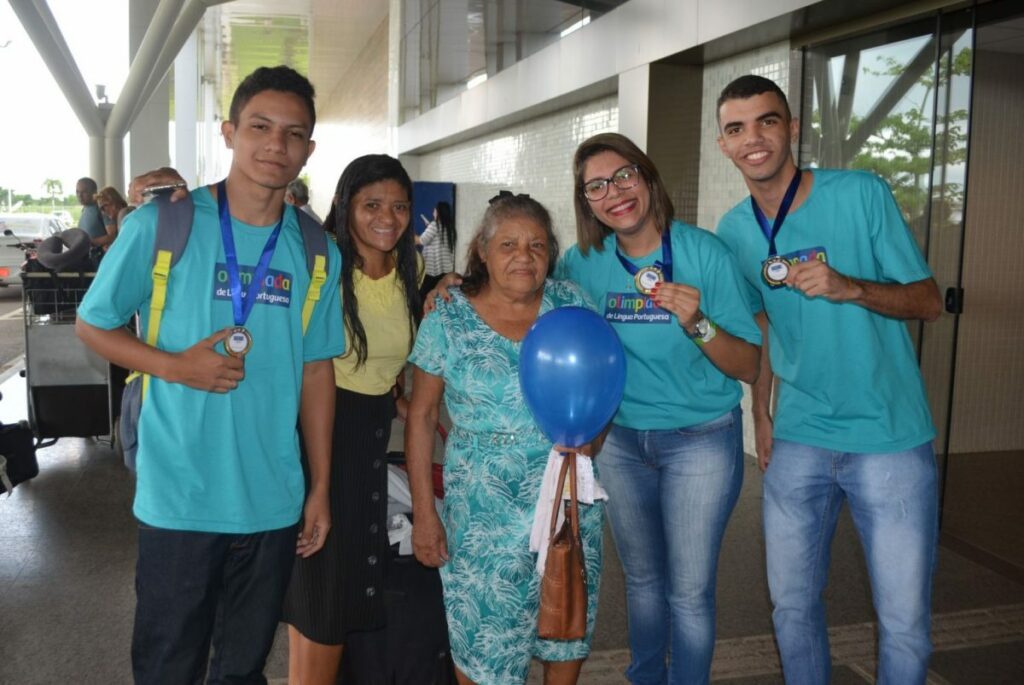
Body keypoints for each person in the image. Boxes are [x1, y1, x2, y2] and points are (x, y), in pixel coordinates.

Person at [76, 65, 345, 683]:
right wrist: (176, 367)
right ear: (229, 132)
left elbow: (315, 371)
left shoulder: (315, 248)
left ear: (309, 148)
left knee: (242, 670)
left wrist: (320, 487)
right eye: (260, 126)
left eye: (293, 133)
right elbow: (94, 326)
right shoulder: (164, 223)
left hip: (271, 499)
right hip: (180, 497)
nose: (276, 144)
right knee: (169, 666)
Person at [713, 75, 942, 685]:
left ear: (791, 130)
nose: (753, 138)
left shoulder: (862, 193)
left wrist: (852, 287)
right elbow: (761, 326)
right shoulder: (734, 230)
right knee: (790, 606)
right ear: (723, 144)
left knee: (903, 621)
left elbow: (928, 301)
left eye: (766, 121)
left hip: (888, 436)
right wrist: (762, 416)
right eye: (737, 128)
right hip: (801, 435)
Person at [557, 133, 761, 685]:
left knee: (689, 590)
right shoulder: (581, 262)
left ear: (647, 178)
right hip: (621, 442)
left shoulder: (703, 254)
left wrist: (697, 322)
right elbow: (532, 311)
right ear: (586, 201)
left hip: (701, 441)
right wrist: (457, 287)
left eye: (623, 176)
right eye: (595, 186)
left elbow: (747, 364)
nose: (614, 192)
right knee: (643, 583)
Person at [406, 193, 604, 685]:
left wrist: (593, 439)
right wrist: (425, 512)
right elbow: (422, 415)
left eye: (537, 245)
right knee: (483, 646)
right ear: (483, 251)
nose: (524, 255)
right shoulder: (448, 317)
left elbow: (603, 380)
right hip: (480, 517)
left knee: (564, 627)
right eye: (509, 243)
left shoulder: (572, 304)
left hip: (564, 503)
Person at [280, 154, 422, 684]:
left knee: (343, 609)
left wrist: (426, 419)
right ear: (344, 205)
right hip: (323, 440)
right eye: (372, 205)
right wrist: (316, 483)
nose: (388, 217)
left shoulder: (413, 272)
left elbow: (388, 378)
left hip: (370, 446)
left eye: (400, 205)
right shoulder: (323, 269)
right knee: (321, 609)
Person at [417, 200, 455, 298]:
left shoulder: (435, 225)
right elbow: (436, 238)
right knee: (438, 297)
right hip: (446, 270)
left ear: (438, 212)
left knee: (423, 296)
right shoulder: (449, 227)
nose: (433, 211)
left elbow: (422, 241)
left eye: (435, 210)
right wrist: (429, 227)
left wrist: (407, 235)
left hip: (432, 270)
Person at [75, 176, 108, 246]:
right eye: (77, 192)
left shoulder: (103, 208)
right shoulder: (84, 209)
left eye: (84, 192)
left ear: (94, 192)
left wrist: (89, 243)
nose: (79, 195)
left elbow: (112, 236)